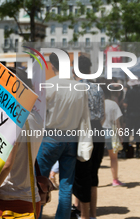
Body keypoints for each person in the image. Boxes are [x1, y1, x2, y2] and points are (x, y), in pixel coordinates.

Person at [37, 52, 90, 219]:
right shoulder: (80, 88)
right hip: (72, 138)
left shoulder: (47, 85)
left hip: (49, 138)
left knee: (39, 182)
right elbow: (85, 118)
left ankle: (36, 215)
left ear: (52, 66)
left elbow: (38, 116)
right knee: (67, 185)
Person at [0, 67, 43, 218]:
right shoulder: (37, 118)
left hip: (8, 199)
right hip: (31, 196)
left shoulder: (11, 121)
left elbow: (7, 165)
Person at [72, 57, 105, 219]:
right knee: (93, 175)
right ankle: (93, 213)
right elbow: (103, 115)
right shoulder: (98, 88)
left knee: (81, 174)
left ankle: (82, 213)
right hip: (98, 129)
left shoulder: (75, 88)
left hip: (83, 130)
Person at [102, 82, 125, 186]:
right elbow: (117, 123)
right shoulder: (113, 104)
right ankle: (115, 179)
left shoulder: (96, 103)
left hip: (97, 133)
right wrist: (121, 136)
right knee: (113, 158)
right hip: (110, 133)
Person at [123, 79, 140, 158]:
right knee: (137, 133)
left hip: (130, 115)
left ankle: (125, 151)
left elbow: (125, 104)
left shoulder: (129, 92)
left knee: (127, 133)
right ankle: (137, 151)